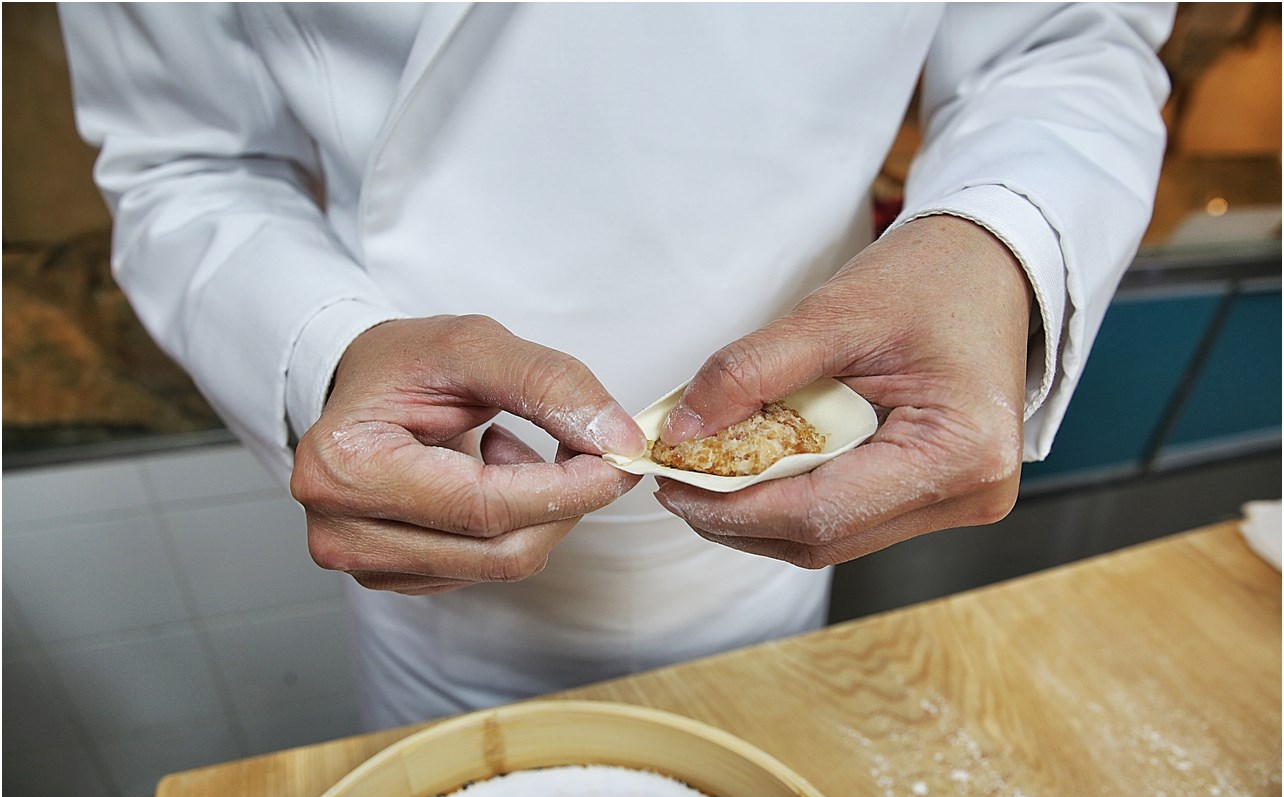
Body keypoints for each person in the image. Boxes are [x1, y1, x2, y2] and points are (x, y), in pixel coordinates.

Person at [60, 4, 1173, 728]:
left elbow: (1068, 38)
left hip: (774, 536)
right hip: (437, 554)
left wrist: (997, 246)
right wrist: (321, 351)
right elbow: (187, 161)